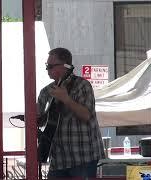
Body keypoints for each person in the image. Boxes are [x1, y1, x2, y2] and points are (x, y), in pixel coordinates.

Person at [37, 47, 105, 178]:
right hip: (58, 159)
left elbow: (86, 115)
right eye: (47, 65)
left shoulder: (82, 85)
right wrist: (35, 117)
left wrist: (66, 99)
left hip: (83, 157)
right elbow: (41, 122)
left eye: (51, 66)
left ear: (65, 66)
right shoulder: (45, 91)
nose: (47, 69)